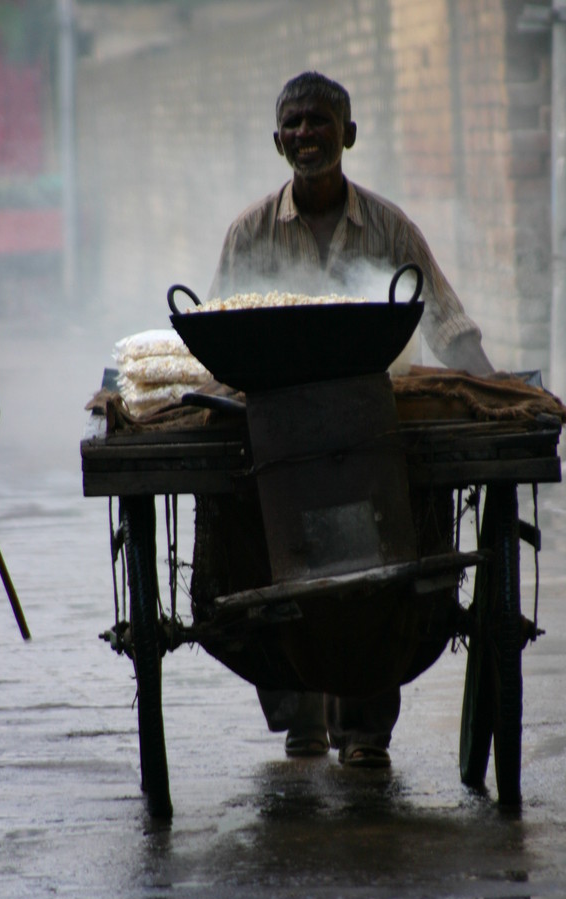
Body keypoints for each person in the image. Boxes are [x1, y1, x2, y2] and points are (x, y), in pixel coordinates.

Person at [201, 71, 494, 768]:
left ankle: (364, 732)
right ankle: (299, 718)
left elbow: (446, 322)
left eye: (320, 122)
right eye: (294, 124)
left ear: (349, 135)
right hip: (278, 436)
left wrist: (494, 392)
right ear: (277, 141)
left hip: (368, 430)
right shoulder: (248, 231)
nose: (307, 134)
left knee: (380, 568)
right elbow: (216, 334)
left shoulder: (390, 226)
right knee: (261, 549)